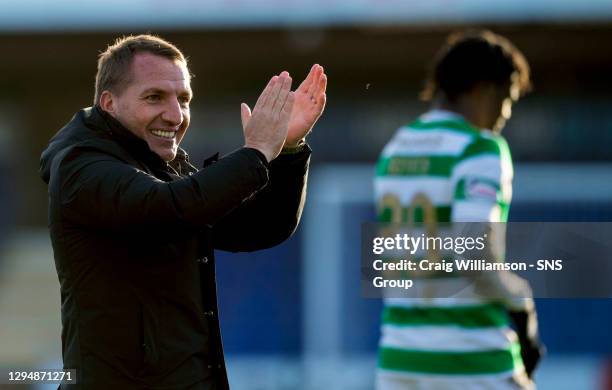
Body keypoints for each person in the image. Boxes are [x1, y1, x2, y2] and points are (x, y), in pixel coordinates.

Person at [39, 34, 327, 389]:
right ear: (109, 103)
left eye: (184, 99)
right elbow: (170, 209)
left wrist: (287, 150)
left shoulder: (163, 167)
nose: (175, 115)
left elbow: (261, 228)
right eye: (154, 97)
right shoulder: (81, 167)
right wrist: (255, 152)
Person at [374, 30, 544, 389]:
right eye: (507, 98)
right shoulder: (479, 148)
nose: (506, 113)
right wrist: (521, 301)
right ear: (483, 88)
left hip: (399, 360)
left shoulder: (395, 150)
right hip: (470, 359)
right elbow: (474, 257)